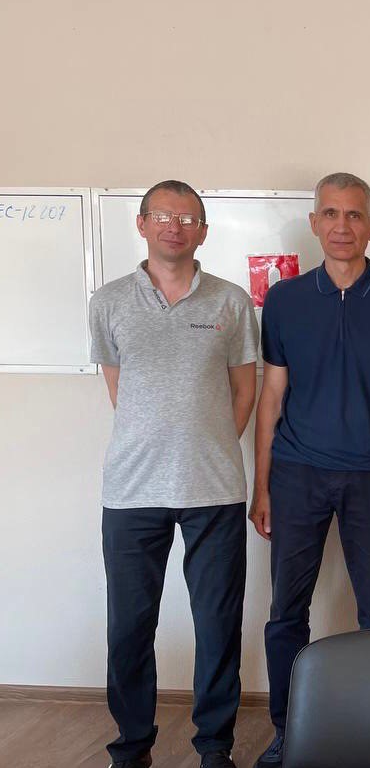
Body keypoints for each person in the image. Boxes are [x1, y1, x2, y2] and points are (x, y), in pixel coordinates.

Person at [250, 172, 370, 768]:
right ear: (314, 223)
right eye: (330, 213)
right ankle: (288, 731)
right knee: (287, 612)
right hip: (296, 474)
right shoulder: (285, 301)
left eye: (354, 215)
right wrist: (261, 487)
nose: (342, 225)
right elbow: (270, 399)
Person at [90, 180, 259, 768]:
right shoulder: (108, 301)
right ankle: (131, 747)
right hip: (131, 491)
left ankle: (214, 746)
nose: (174, 227)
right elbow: (120, 388)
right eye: (163, 215)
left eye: (187, 218)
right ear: (141, 224)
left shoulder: (230, 301)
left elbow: (244, 391)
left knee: (218, 626)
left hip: (214, 489)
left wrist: (204, 444)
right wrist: (159, 442)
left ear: (203, 232)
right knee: (129, 628)